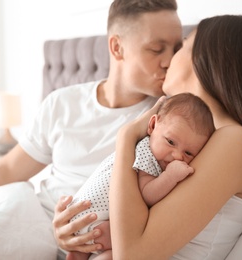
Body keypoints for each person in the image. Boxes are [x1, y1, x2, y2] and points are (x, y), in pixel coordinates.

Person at [0, 0, 182, 258]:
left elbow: (154, 208)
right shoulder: (63, 102)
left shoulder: (165, 125)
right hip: (25, 209)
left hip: (58, 235)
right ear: (117, 47)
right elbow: (8, 168)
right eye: (157, 49)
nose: (169, 61)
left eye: (177, 48)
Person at [53, 15, 242, 259]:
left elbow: (131, 255)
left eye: (181, 46)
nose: (167, 61)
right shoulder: (200, 140)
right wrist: (78, 233)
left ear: (203, 61)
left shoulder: (236, 142)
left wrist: (125, 139)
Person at [68, 93, 215, 260]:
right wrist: (170, 177)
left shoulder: (151, 148)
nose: (177, 156)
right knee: (117, 249)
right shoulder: (145, 153)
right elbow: (146, 194)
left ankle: (79, 255)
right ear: (152, 125)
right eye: (171, 142)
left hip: (83, 218)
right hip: (94, 220)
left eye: (188, 153)